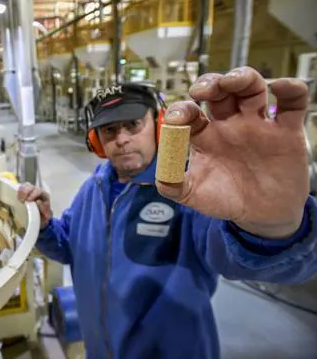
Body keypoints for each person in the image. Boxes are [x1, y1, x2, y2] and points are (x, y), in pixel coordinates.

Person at [17, 67, 317, 359]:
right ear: (97, 141)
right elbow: (69, 246)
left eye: (133, 125)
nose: (121, 139)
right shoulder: (92, 188)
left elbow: (239, 260)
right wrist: (44, 228)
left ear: (159, 125)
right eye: (109, 130)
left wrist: (270, 229)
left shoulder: (191, 192)